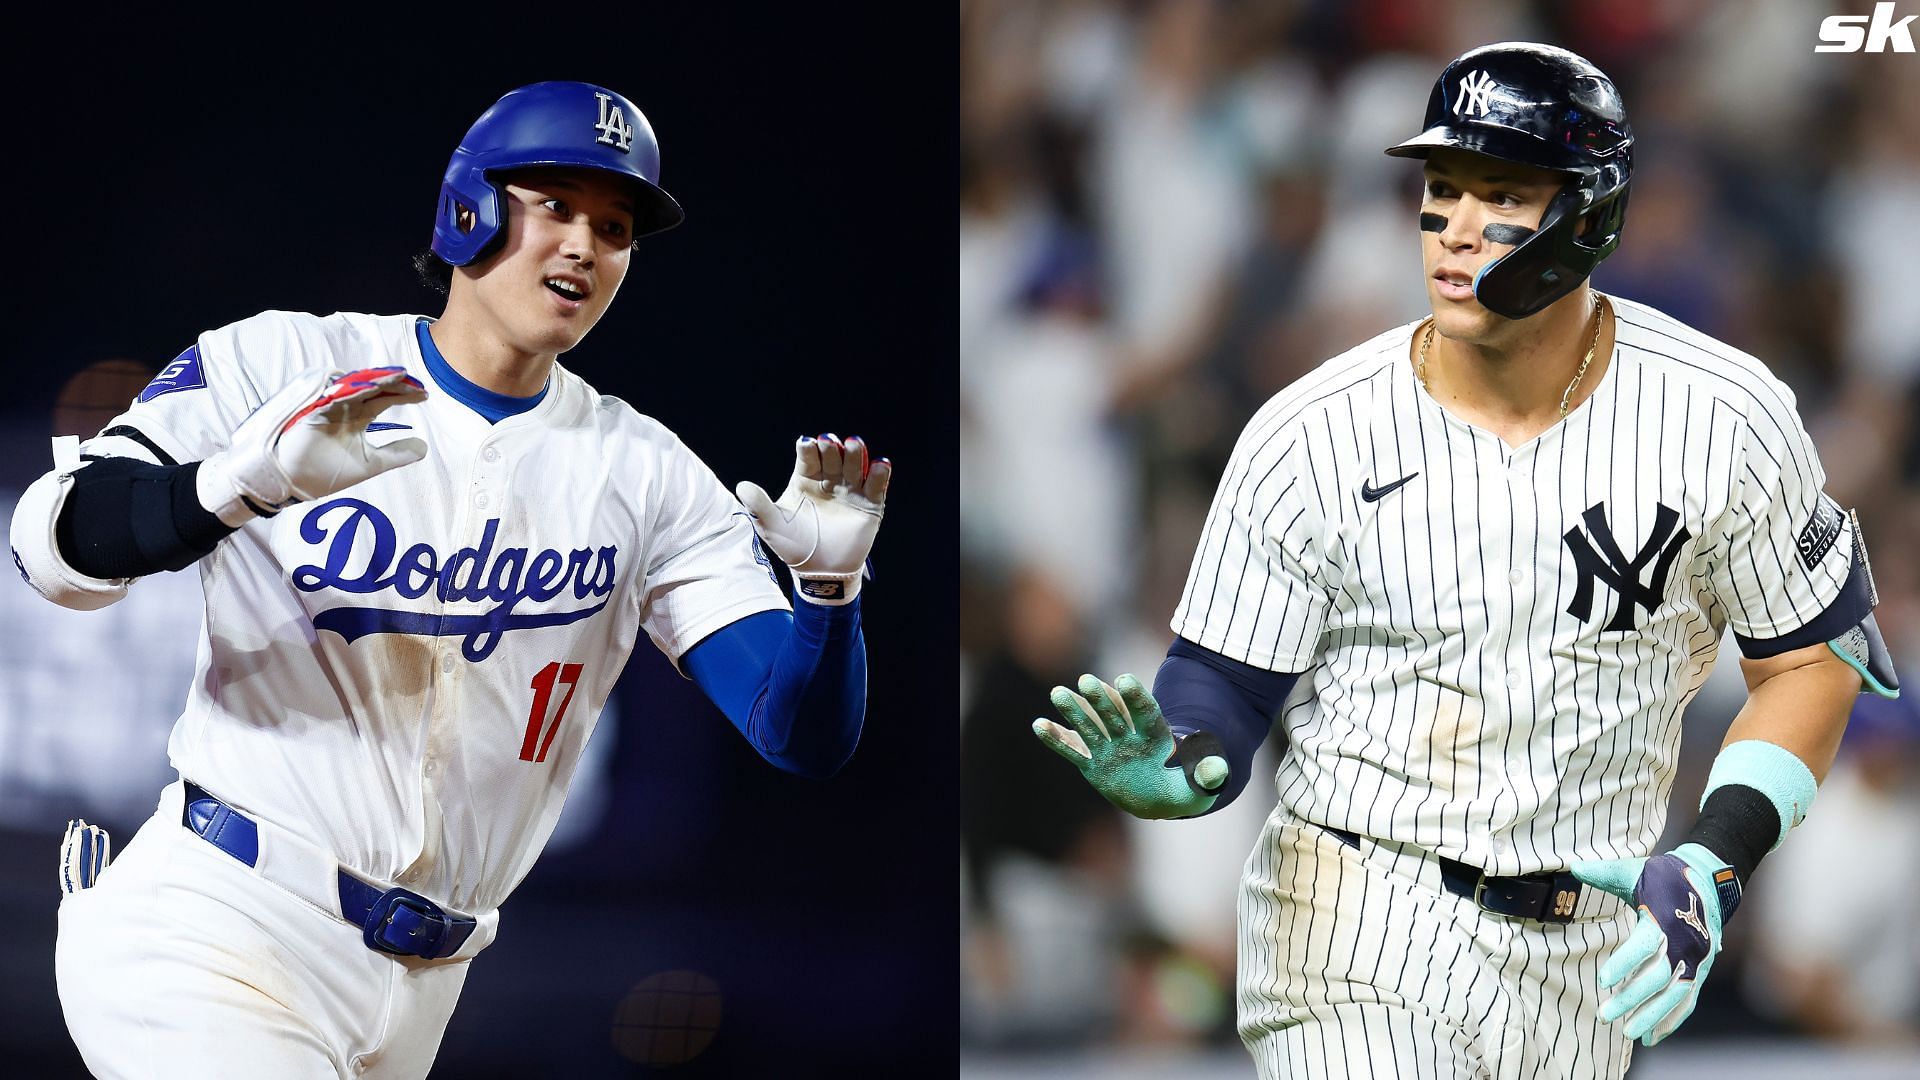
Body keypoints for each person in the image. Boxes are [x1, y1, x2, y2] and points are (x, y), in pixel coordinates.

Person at [1031, 42, 1896, 1079]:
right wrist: (1183, 762)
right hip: (1354, 922)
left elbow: (1807, 657)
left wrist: (1716, 857)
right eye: (1441, 189)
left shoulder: (1725, 415)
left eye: (1502, 193)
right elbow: (1219, 683)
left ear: (1593, 215)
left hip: (1591, 954)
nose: (1454, 227)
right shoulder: (1310, 432)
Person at [10, 80, 891, 1079]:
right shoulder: (289, 360)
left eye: (615, 226)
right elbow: (51, 548)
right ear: (466, 209)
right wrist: (234, 485)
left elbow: (797, 735)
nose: (584, 246)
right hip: (218, 925)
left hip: (424, 987)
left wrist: (829, 597)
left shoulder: (645, 472)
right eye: (554, 206)